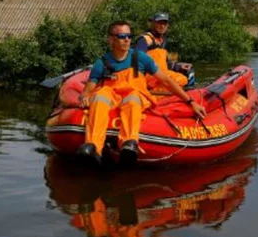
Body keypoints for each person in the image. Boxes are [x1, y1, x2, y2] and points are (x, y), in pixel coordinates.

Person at [78, 20, 206, 165]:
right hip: (112, 95)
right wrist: (84, 97)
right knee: (99, 97)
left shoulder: (141, 58)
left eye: (129, 35)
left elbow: (166, 81)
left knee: (132, 100)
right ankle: (93, 146)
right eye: (121, 36)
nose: (127, 39)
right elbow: (89, 87)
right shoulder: (101, 63)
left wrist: (190, 101)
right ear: (111, 39)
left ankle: (128, 143)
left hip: (135, 94)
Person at [135, 12, 194, 89]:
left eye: (164, 23)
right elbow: (136, 61)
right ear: (153, 24)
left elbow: (165, 63)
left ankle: (189, 94)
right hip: (150, 76)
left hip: (162, 73)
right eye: (159, 23)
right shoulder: (145, 39)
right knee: (181, 79)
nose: (162, 26)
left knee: (189, 70)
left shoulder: (163, 41)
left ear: (167, 25)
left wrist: (178, 66)